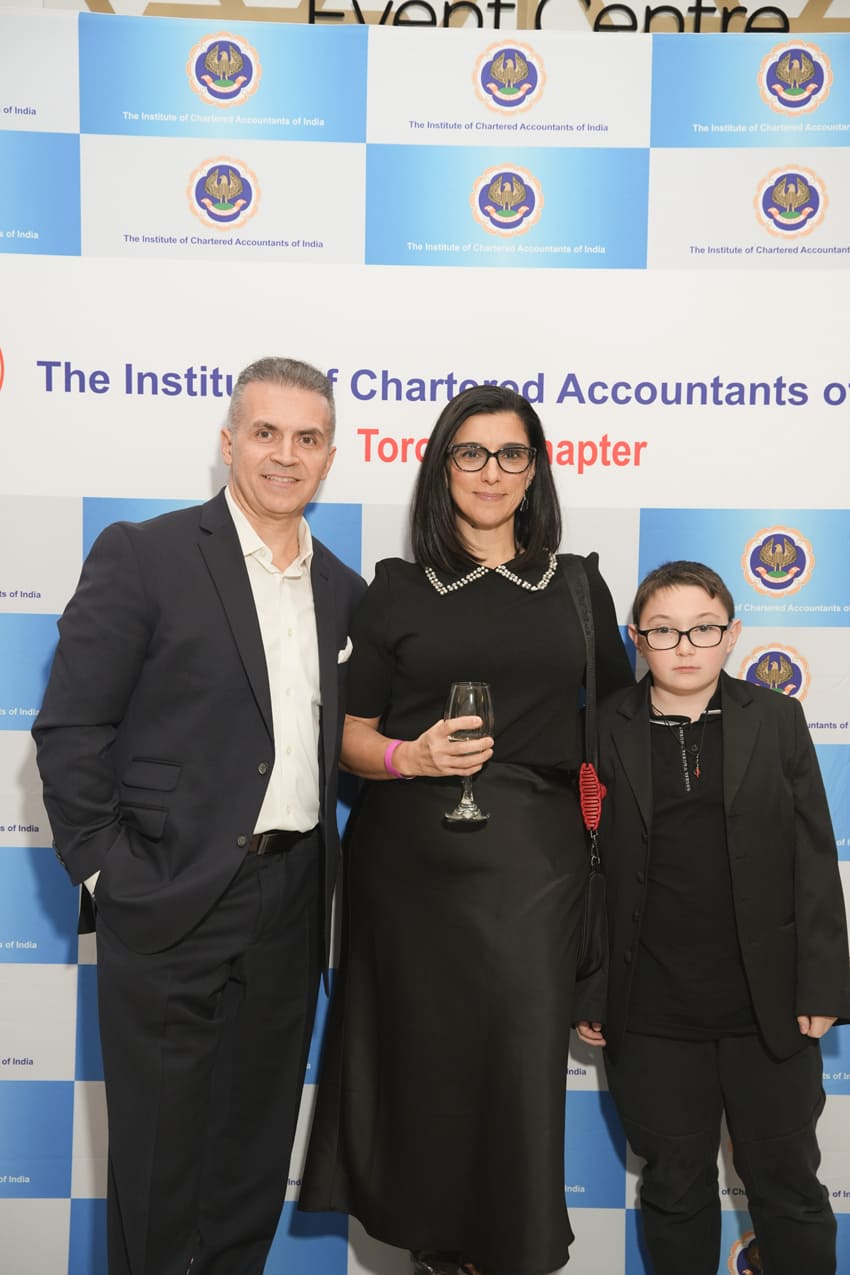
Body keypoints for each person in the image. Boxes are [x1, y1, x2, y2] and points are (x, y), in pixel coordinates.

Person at [32, 357, 366, 1275]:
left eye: (307, 438)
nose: (285, 455)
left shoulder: (343, 589)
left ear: (330, 456)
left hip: (293, 902)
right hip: (168, 894)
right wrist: (110, 871)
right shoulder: (145, 554)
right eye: (266, 433)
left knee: (249, 1169)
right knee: (157, 1170)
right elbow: (71, 727)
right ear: (228, 443)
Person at [299, 384, 633, 1275]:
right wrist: (409, 756)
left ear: (535, 470)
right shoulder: (396, 589)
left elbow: (617, 730)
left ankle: (508, 1251)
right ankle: (435, 1255)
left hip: (536, 868)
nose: (491, 471)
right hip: (410, 871)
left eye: (511, 453)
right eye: (471, 452)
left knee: (518, 1071)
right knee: (423, 1071)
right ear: (443, 467)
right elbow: (347, 734)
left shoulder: (576, 585)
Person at [575, 560, 850, 1275]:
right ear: (637, 638)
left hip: (769, 1006)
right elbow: (585, 870)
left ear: (732, 634)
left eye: (703, 628)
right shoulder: (603, 726)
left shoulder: (777, 718)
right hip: (650, 1008)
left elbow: (814, 855)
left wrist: (823, 984)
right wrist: (590, 986)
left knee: (788, 1187)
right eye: (664, 630)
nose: (685, 645)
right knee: (672, 1188)